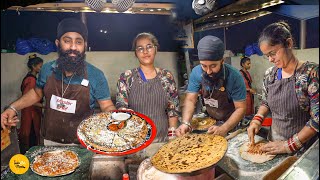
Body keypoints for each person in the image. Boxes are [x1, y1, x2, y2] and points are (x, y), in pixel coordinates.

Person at [1, 18, 116, 146]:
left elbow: (106, 105)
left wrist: (116, 117)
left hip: (82, 144)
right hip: (49, 140)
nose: (73, 47)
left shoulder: (96, 75)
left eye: (79, 42)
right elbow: (37, 93)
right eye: (67, 41)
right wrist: (13, 107)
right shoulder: (47, 69)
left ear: (84, 45)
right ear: (57, 43)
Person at [247, 21, 319, 155]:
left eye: (273, 53)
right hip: (273, 145)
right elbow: (266, 102)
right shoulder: (270, 75)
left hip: (301, 150)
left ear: (289, 43)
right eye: (267, 55)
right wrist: (257, 119)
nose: (270, 59)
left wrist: (288, 145)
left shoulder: (310, 74)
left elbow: (317, 119)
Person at [175, 35, 247, 137]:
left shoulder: (234, 76)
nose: (208, 71)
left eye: (213, 66)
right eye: (204, 66)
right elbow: (190, 100)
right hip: (210, 120)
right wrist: (185, 122)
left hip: (230, 123)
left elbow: (241, 108)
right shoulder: (196, 72)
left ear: (222, 61)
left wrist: (225, 128)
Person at [116, 32, 179, 142]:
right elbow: (121, 105)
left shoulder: (166, 76)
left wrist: (172, 133)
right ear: (136, 53)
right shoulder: (127, 77)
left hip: (162, 140)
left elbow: (173, 108)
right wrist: (124, 111)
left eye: (149, 47)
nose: (145, 51)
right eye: (140, 48)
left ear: (156, 49)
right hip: (135, 141)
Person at [19, 54, 44, 153]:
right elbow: (29, 100)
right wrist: (44, 106)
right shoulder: (31, 80)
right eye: (40, 66)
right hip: (31, 113)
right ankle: (28, 156)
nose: (41, 68)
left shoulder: (31, 78)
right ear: (34, 66)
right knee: (30, 134)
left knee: (31, 134)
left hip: (31, 111)